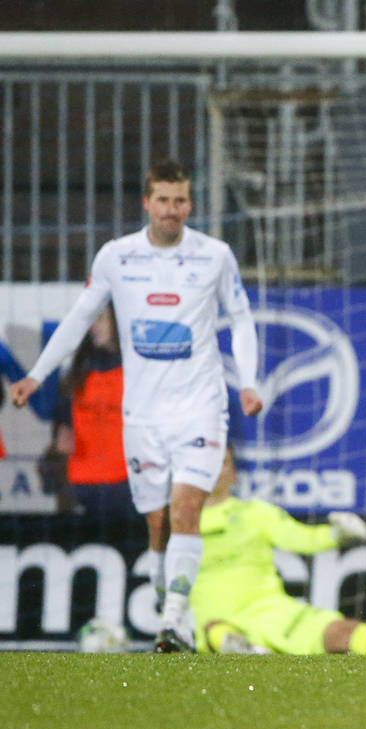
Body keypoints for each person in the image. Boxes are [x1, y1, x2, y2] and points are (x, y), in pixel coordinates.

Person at [9, 159, 263, 653]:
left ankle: (169, 625)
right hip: (143, 416)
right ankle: (178, 622)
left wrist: (249, 383)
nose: (173, 210)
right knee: (158, 527)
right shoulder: (116, 257)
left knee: (186, 508)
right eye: (163, 200)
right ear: (146, 203)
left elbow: (243, 318)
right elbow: (79, 319)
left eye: (181, 200)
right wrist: (36, 373)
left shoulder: (215, 256)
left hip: (200, 408)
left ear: (190, 203)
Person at [193, 449, 366, 656]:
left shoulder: (255, 513)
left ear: (234, 474)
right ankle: (246, 652)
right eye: (209, 461)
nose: (216, 469)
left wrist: (335, 534)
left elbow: (300, 537)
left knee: (339, 631)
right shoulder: (180, 518)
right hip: (212, 617)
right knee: (217, 630)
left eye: (224, 462)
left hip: (268, 610)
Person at [47, 305, 134, 516]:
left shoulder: (136, 372)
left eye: (102, 319)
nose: (94, 327)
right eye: (92, 321)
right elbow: (61, 433)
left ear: (117, 322)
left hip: (125, 483)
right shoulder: (77, 374)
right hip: (81, 486)